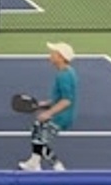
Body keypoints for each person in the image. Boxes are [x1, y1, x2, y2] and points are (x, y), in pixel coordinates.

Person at [18, 42, 77, 171]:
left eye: (53, 53)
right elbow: (61, 98)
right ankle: (34, 162)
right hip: (60, 114)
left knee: (40, 141)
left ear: (61, 57)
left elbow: (67, 101)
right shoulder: (68, 72)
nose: (49, 55)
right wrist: (43, 104)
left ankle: (58, 166)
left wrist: (48, 113)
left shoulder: (64, 76)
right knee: (36, 128)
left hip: (61, 117)